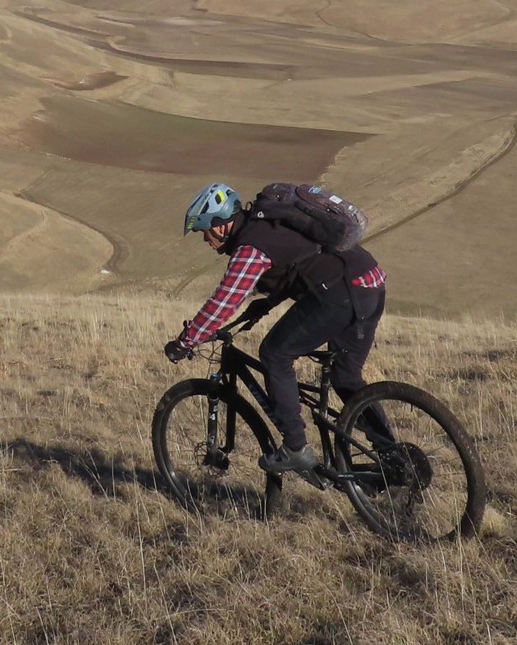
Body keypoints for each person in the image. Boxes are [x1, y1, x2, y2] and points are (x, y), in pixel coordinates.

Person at [165, 181, 389, 474]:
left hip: (341, 294)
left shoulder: (250, 247)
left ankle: (295, 448)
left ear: (219, 227)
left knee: (274, 354)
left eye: (203, 232)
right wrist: (265, 304)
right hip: (370, 282)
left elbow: (224, 302)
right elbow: (301, 263)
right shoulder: (269, 222)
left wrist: (186, 341)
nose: (205, 241)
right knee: (346, 377)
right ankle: (393, 457)